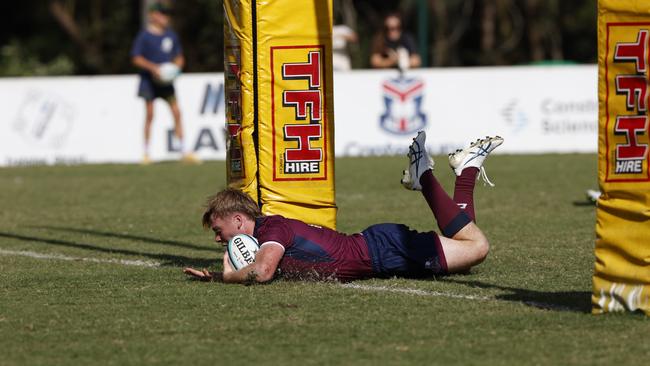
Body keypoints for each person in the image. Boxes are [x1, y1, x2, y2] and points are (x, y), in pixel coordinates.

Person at [184, 131, 503, 284]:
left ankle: (425, 176)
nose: (217, 239)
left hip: (384, 250)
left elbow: (263, 271)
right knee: (466, 257)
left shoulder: (272, 229)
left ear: (239, 220)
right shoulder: (269, 235)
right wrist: (214, 275)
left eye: (218, 230)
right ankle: (467, 171)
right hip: (381, 251)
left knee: (477, 248)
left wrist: (225, 277)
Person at [130, 2, 199, 165]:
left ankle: (184, 150)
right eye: (162, 14)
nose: (165, 18)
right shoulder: (144, 36)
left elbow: (179, 56)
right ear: (152, 15)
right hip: (149, 82)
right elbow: (136, 58)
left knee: (177, 112)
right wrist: (153, 68)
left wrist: (177, 67)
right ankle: (146, 153)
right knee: (150, 114)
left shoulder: (171, 36)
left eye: (167, 14)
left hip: (166, 83)